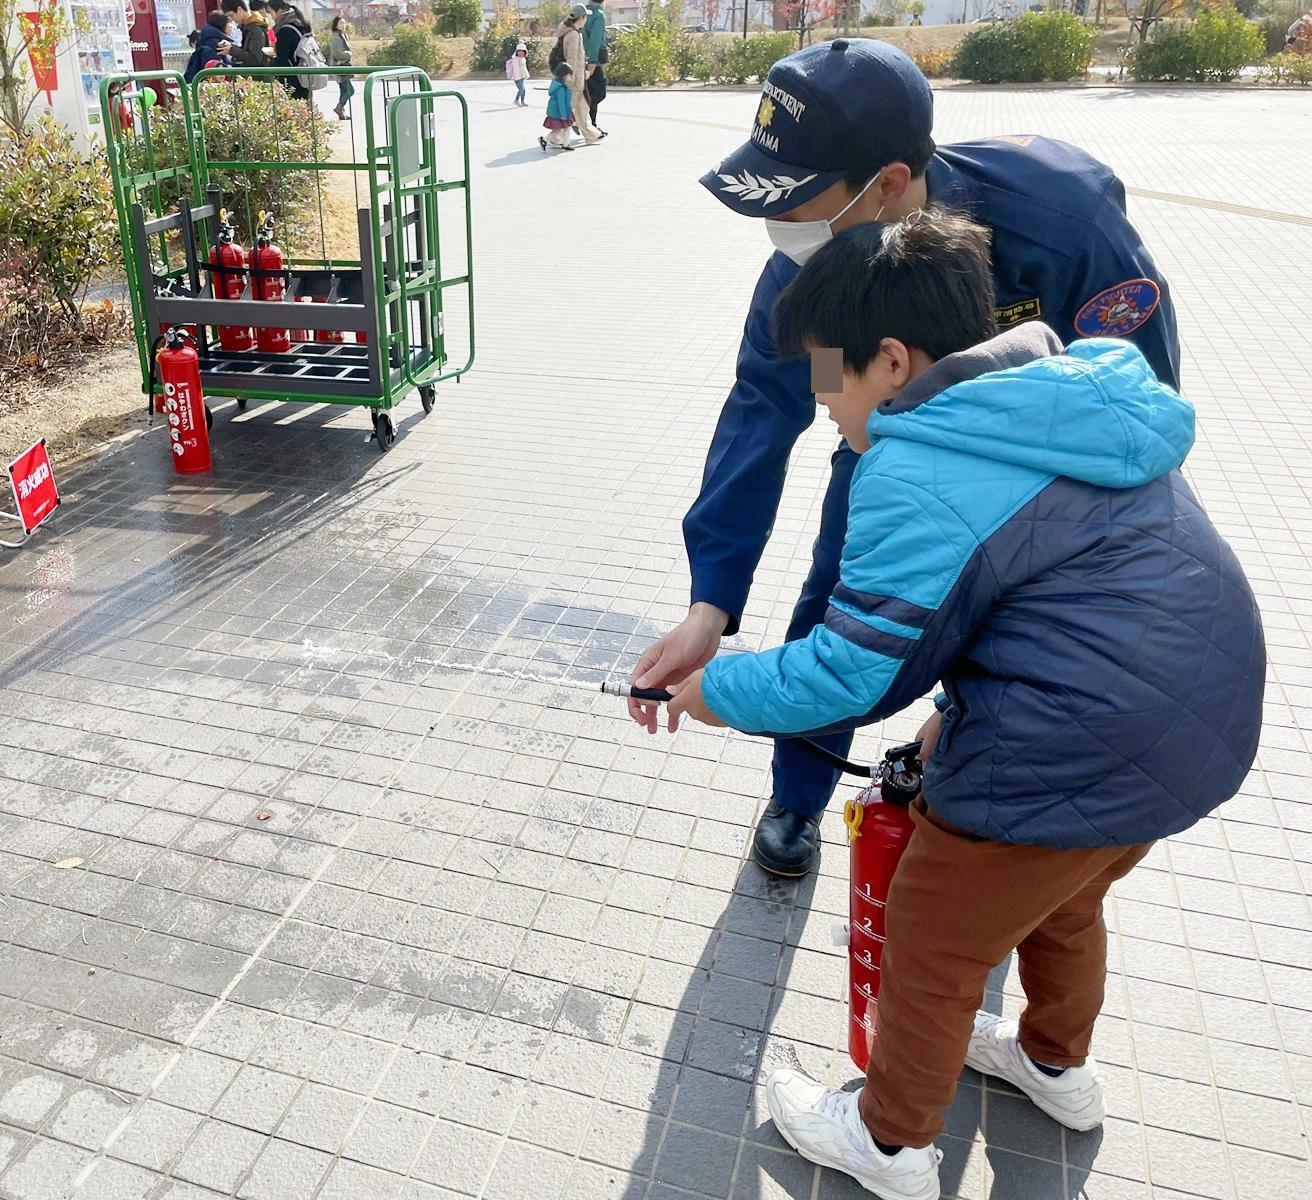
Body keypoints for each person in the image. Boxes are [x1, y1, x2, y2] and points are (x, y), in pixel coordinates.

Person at [663, 207, 1264, 1200]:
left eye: (828, 374)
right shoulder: (1062, 389)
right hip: (1195, 723)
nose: (823, 405)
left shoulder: (913, 460)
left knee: (933, 938)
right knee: (1064, 897)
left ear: (890, 362)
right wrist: (955, 703)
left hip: (1075, 739)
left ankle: (890, 1142)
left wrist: (714, 688)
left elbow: (852, 670)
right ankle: (1054, 1065)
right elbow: (1033, 585)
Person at [626, 39, 1180, 879]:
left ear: (889, 184)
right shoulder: (810, 269)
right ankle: (799, 794)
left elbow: (1135, 398)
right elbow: (768, 411)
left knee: (1012, 624)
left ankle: (985, 805)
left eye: (803, 204)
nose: (784, 231)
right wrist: (712, 604)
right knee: (839, 599)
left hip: (1044, 470)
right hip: (887, 434)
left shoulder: (1058, 224)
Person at [553, 4, 600, 146]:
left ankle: (591, 134)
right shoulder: (573, 35)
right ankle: (553, 137)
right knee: (569, 109)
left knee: (582, 107)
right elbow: (571, 59)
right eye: (587, 17)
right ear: (583, 17)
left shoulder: (571, 33)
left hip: (577, 77)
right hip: (574, 80)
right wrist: (572, 77)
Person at [269, 0, 312, 99]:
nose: (271, 17)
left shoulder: (285, 30)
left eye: (271, 13)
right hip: (305, 74)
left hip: (292, 80)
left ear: (279, 11)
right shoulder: (301, 23)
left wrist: (271, 58)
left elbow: (282, 60)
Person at [581, 0, 608, 136]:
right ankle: (578, 117)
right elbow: (596, 39)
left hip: (580, 57)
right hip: (593, 60)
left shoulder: (583, 13)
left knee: (590, 92)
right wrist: (592, 61)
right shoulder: (598, 15)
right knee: (599, 92)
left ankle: (592, 126)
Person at [538, 63, 578, 152]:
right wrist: (564, 114)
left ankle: (564, 143)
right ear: (564, 75)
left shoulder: (560, 86)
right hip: (560, 113)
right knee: (563, 129)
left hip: (558, 112)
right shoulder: (561, 88)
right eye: (569, 75)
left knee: (562, 129)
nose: (570, 77)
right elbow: (561, 103)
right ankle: (546, 140)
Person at [184, 11, 234, 81]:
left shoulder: (207, 38)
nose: (231, 26)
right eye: (229, 23)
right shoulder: (215, 43)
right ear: (223, 24)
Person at [229, 0, 273, 67]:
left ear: (239, 9)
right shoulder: (246, 27)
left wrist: (232, 50)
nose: (231, 19)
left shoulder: (255, 28)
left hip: (258, 74)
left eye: (231, 15)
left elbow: (255, 59)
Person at [330, 15, 355, 119]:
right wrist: (348, 54)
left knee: (344, 90)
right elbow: (337, 54)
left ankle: (341, 111)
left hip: (343, 66)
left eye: (344, 23)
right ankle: (339, 108)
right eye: (340, 23)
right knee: (349, 90)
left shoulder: (342, 35)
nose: (343, 25)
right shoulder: (336, 37)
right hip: (340, 66)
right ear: (336, 25)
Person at [507, 40, 531, 107]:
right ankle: (516, 100)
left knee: (523, 90)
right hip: (517, 77)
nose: (521, 53)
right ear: (517, 52)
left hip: (522, 77)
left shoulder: (523, 59)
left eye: (522, 51)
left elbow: (524, 68)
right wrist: (517, 78)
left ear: (525, 52)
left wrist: (525, 75)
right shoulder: (515, 59)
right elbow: (516, 70)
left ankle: (522, 102)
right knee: (521, 89)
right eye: (519, 51)